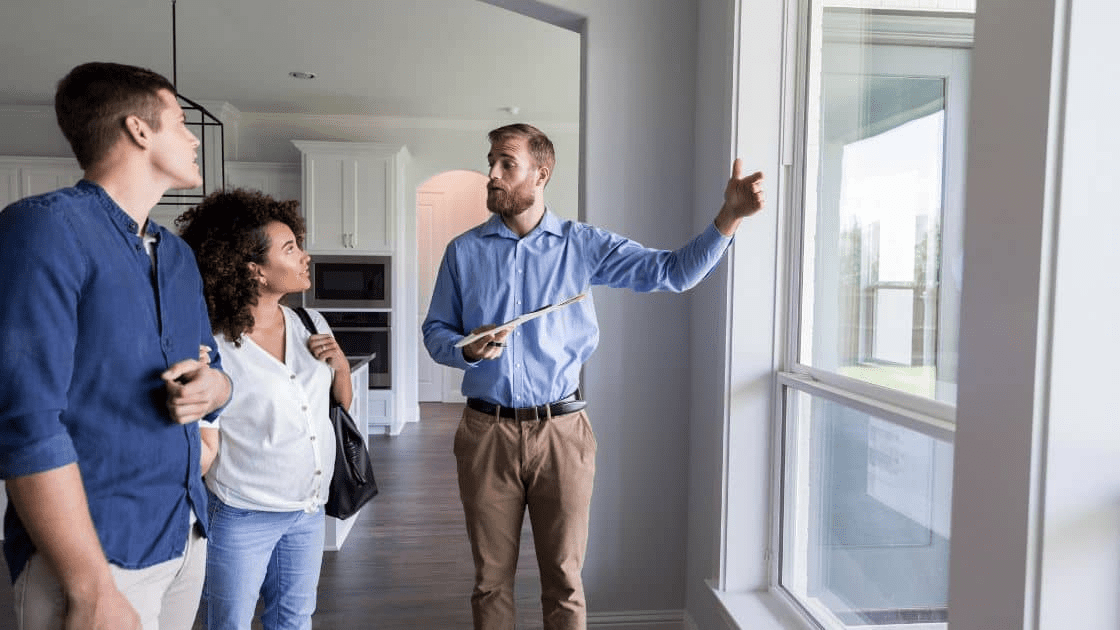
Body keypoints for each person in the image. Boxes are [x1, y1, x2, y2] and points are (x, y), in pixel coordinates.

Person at [422, 123, 765, 630]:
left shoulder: (581, 245)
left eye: (505, 164)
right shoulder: (463, 252)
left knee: (564, 581)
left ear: (541, 173)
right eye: (491, 161)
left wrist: (729, 218)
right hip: (484, 435)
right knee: (490, 581)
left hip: (562, 435)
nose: (491, 174)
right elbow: (435, 333)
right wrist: (466, 348)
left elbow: (672, 272)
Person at [0, 62, 233, 630]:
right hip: (95, 559)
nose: (194, 136)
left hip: (184, 537)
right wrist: (91, 588)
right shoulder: (42, 229)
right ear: (139, 129)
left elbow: (216, 370)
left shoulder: (176, 256)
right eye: (181, 121)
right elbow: (26, 423)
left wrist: (215, 389)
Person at [176, 188, 352, 630]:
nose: (304, 256)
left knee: (294, 620)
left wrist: (343, 368)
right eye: (289, 248)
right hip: (242, 513)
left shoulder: (310, 323)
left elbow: (337, 410)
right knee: (230, 623)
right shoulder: (212, 343)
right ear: (254, 270)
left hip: (307, 509)